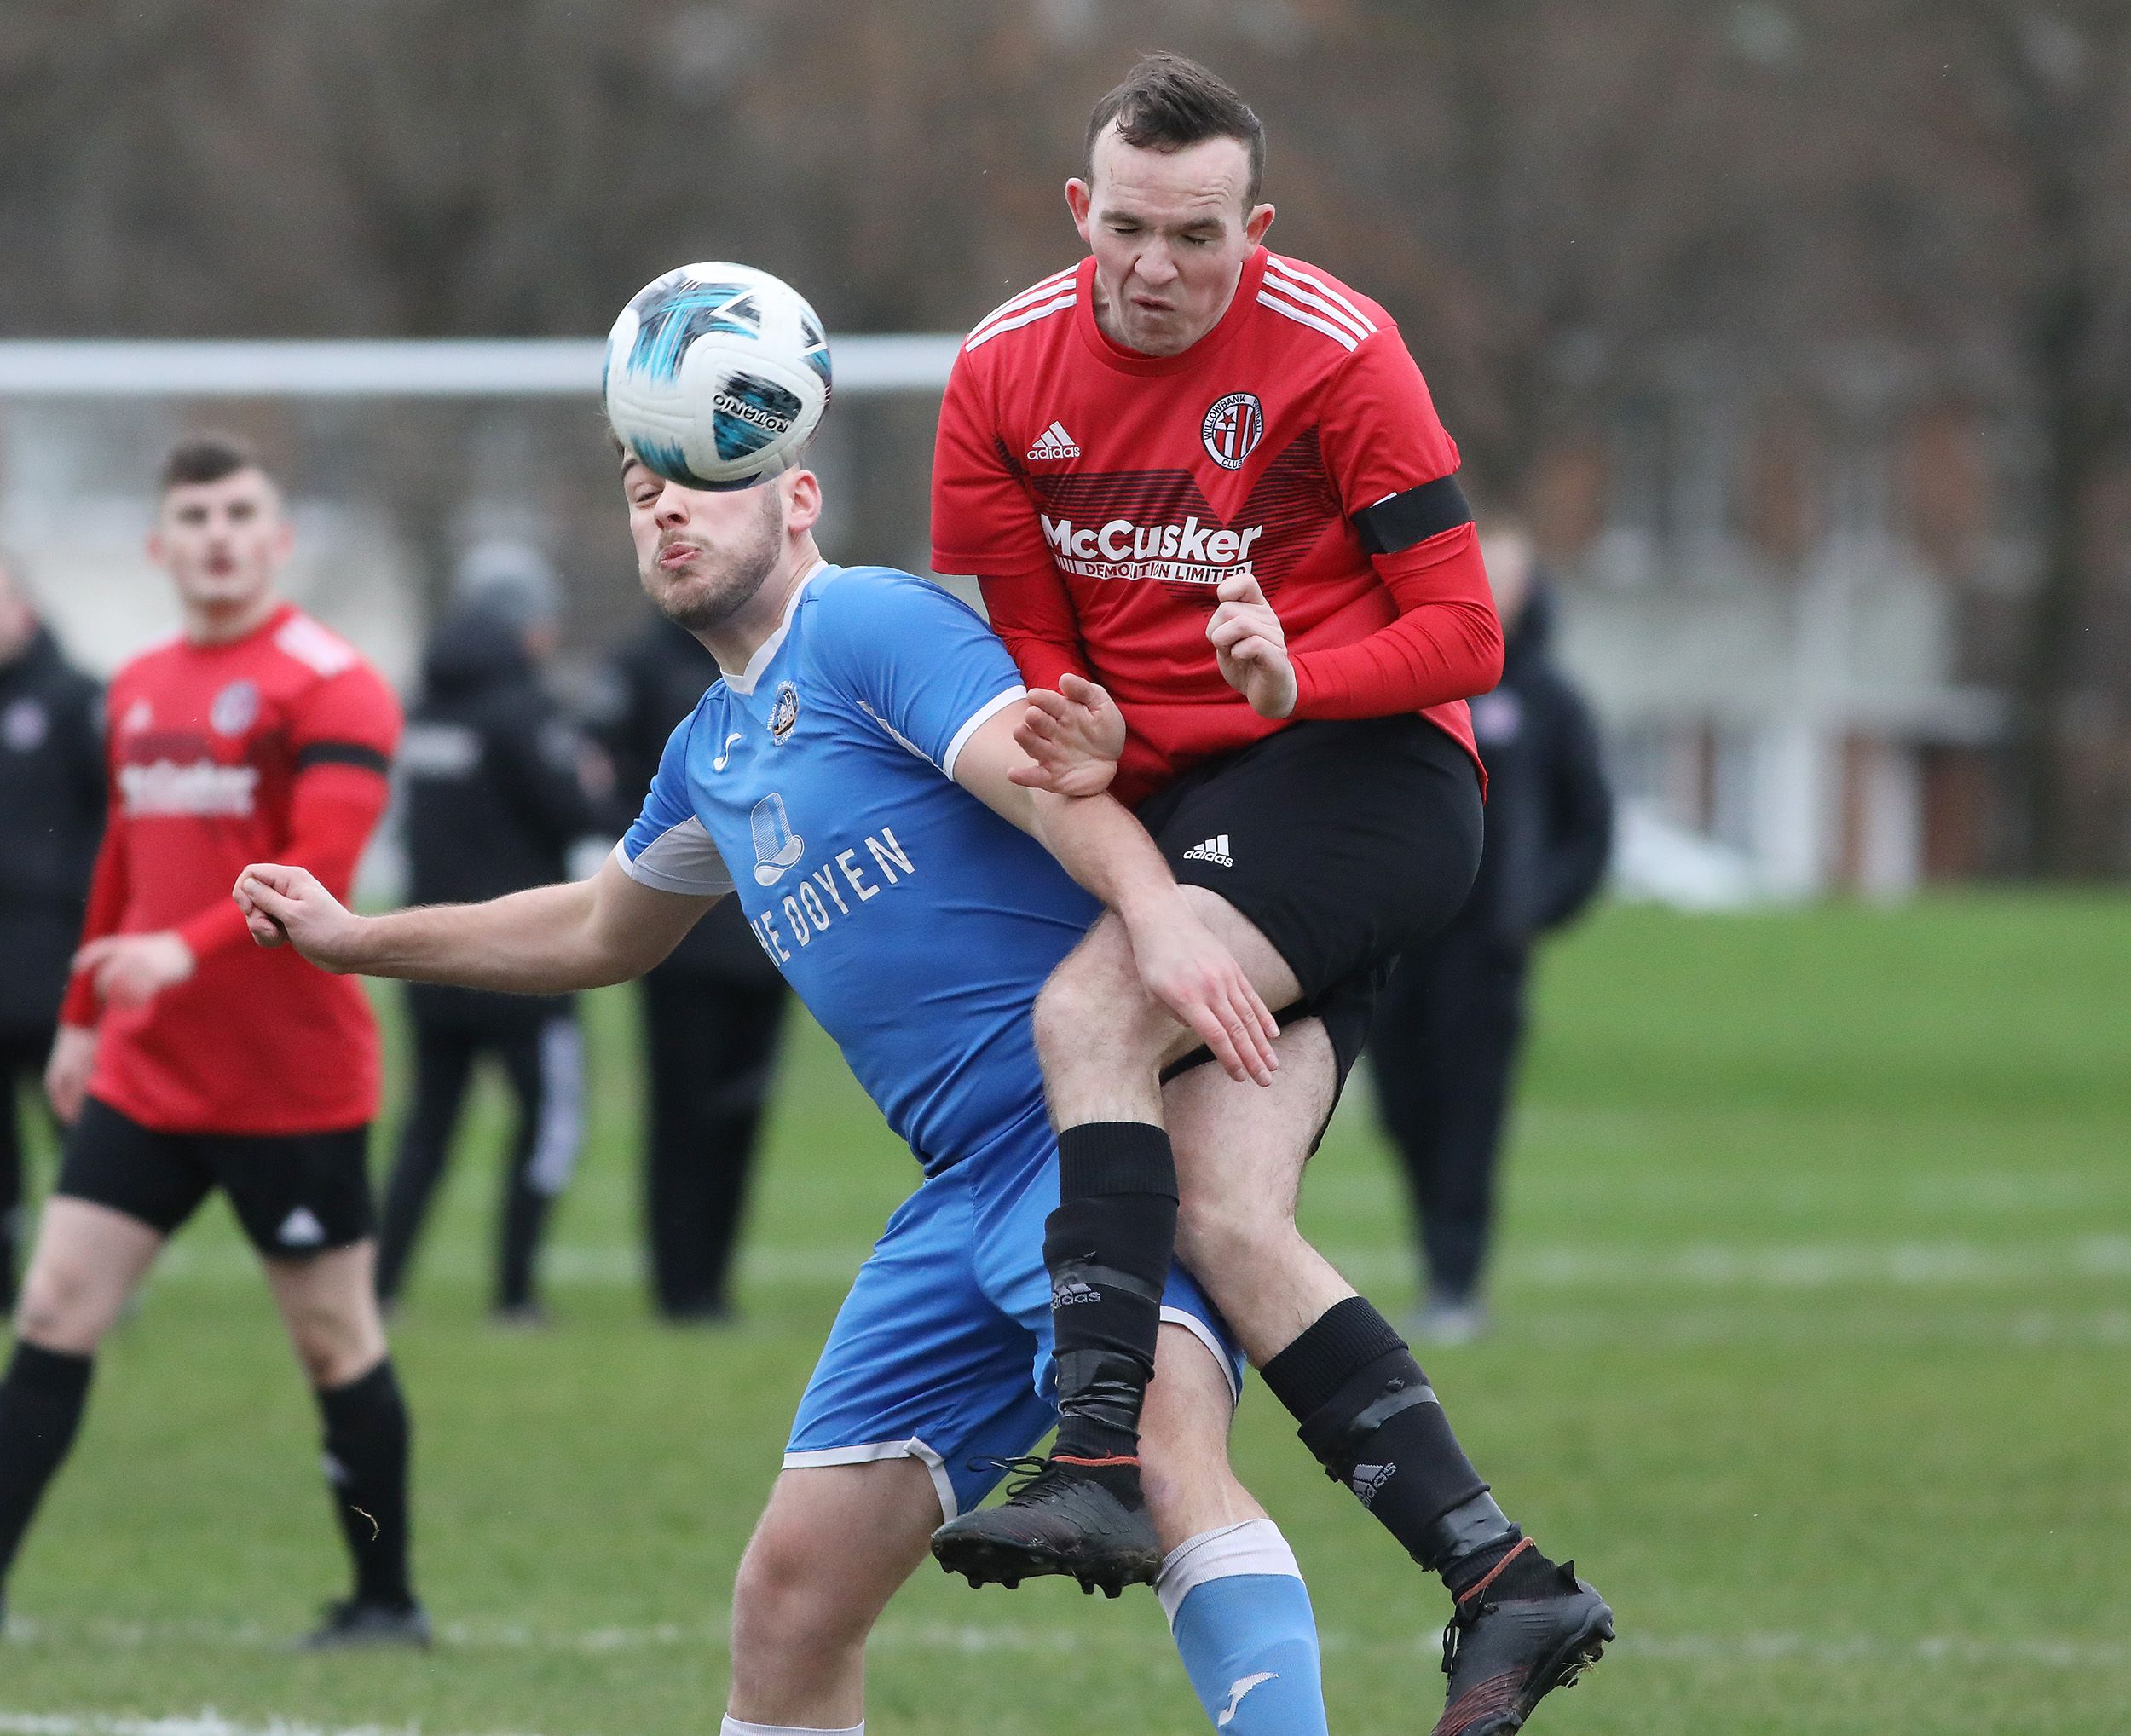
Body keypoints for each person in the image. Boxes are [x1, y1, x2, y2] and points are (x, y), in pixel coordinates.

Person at [235, 448, 1339, 1735]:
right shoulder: (708, 750)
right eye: (643, 495)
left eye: (700, 481)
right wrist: (362, 938)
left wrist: (1159, 917)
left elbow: (1049, 788)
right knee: (792, 1596)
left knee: (1165, 1454)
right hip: (954, 1198)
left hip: (1083, 1142)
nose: (665, 511)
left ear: (800, 496)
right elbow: (600, 930)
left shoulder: (866, 623)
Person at [927, 53, 1610, 1733]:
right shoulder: (1001, 371)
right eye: (1132, 231)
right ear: (1081, 212)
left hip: (1369, 778)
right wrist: (1070, 725)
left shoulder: (1336, 352)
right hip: (1221, 808)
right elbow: (1021, 642)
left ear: (1256, 225)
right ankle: (1502, 1579)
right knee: (1229, 1216)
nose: (1160, 269)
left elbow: (1466, 635)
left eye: (1201, 235)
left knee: (1088, 1010)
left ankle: (1092, 1455)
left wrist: (1293, 675)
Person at [0, 435, 424, 1647]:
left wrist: (178, 955)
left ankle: (386, 1602)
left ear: (279, 536)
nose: (220, 534)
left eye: (242, 513)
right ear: (160, 544)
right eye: (196, 517)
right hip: (149, 1078)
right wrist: (86, 1019)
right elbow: (122, 866)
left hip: (290, 1085)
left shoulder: (332, 681)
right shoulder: (135, 686)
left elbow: (322, 875)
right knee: (54, 1309)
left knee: (333, 1337)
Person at [1370, 528, 1613, 1344]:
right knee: (1403, 1110)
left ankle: (1456, 1280)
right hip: (1399, 942)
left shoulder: (1549, 700)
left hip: (1485, 955)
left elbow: (1591, 827)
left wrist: (1530, 910)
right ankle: (1434, 1261)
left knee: (1471, 1113)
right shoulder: (1409, 678)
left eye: (1506, 572)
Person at [375, 545, 607, 1323]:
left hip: (430, 952)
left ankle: (381, 1285)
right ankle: (513, 1293)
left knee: (427, 1129)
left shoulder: (424, 707)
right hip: (522, 954)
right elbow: (573, 809)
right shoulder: (524, 707)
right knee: (549, 1119)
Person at [596, 613, 788, 1323]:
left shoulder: (773, 660)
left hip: (769, 931)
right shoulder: (643, 666)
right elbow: (607, 784)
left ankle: (713, 1282)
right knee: (680, 1113)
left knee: (743, 1109)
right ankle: (677, 1286)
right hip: (679, 942)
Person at [0, 556, 104, 1306]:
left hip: (53, 947)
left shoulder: (76, 698)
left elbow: (115, 818)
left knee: (73, 1110)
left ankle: (99, 1265)